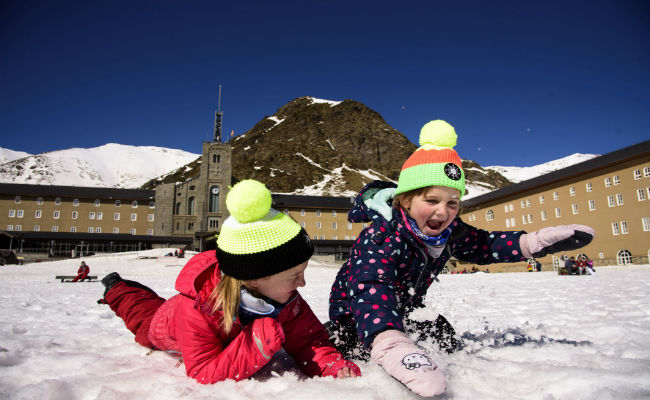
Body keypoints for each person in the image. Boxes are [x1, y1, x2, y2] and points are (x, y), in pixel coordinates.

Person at [326, 120, 595, 397]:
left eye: (452, 203)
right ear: (405, 200)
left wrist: (532, 242)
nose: (442, 212)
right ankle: (376, 347)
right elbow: (371, 286)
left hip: (405, 312)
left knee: (441, 334)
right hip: (357, 315)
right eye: (431, 201)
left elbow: (485, 245)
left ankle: (399, 342)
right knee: (347, 346)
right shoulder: (382, 235)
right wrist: (390, 341)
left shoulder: (450, 233)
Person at [98, 180, 361, 383]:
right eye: (295, 275)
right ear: (255, 278)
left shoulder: (287, 300)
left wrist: (332, 365)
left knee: (149, 306)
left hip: (194, 316)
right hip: (165, 324)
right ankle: (117, 288)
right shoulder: (199, 310)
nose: (302, 283)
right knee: (140, 314)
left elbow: (309, 340)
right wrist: (254, 343)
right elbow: (202, 371)